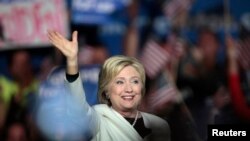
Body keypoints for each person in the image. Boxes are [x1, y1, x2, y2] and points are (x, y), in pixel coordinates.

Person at [47, 30, 170, 141]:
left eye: (134, 82)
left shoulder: (158, 127)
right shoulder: (99, 119)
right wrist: (72, 61)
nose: (128, 89)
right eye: (120, 82)